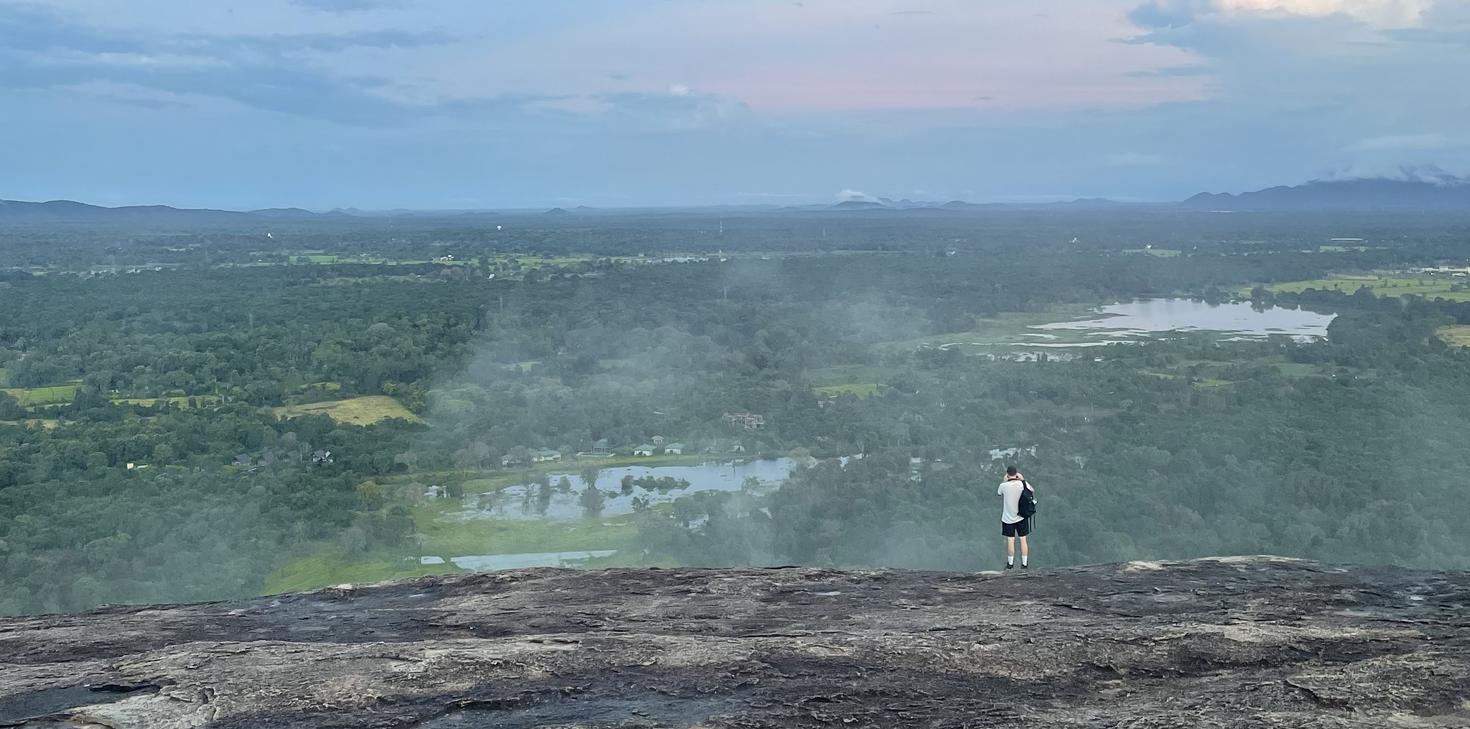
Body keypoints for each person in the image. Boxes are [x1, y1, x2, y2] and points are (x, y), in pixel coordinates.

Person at [997, 465, 1034, 569]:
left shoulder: (1003, 486)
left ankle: (1010, 564)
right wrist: (1022, 479)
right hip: (1021, 516)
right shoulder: (1022, 484)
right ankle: (1025, 564)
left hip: (1008, 518)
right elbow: (1032, 490)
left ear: (1007, 474)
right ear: (1016, 473)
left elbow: (999, 493)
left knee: (1010, 540)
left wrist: (1004, 480)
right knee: (1023, 539)